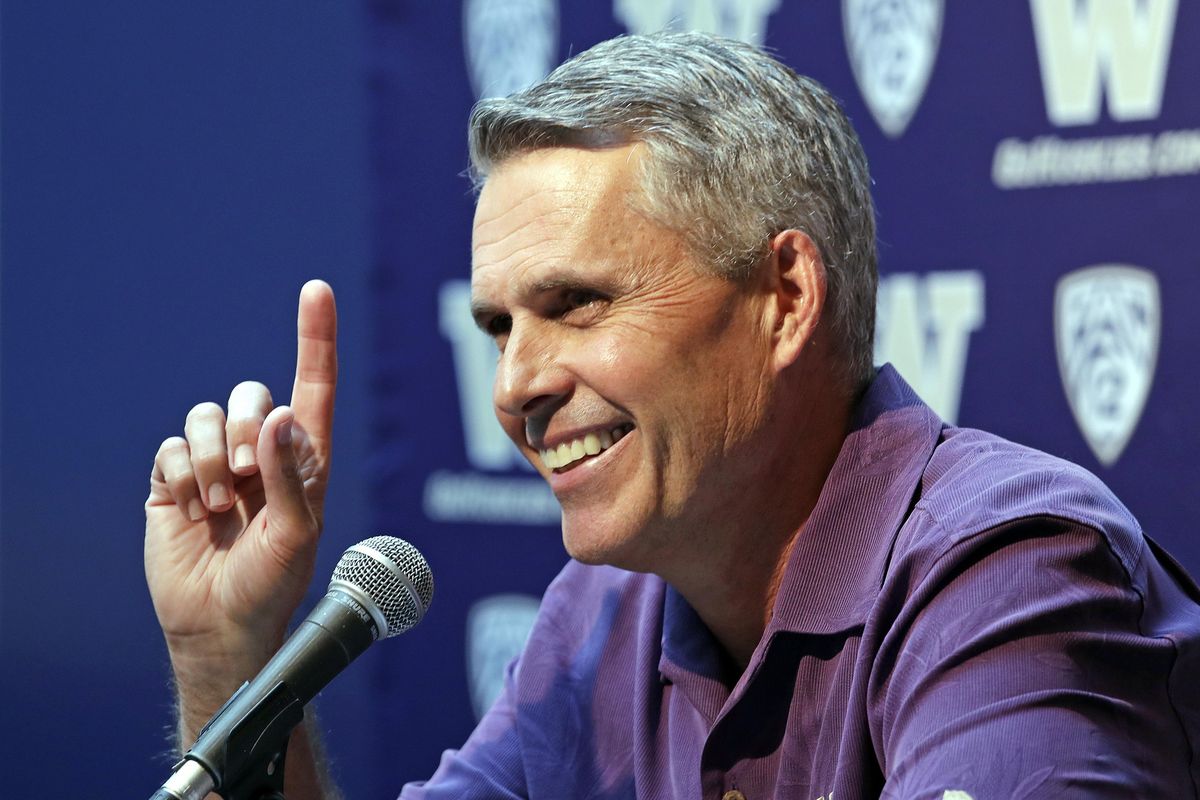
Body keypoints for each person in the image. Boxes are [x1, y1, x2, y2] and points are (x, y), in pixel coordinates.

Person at [145, 32, 1200, 799]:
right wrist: (230, 651)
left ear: (785, 298)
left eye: (576, 303)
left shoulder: (1008, 567)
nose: (515, 384)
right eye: (499, 327)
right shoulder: (599, 615)